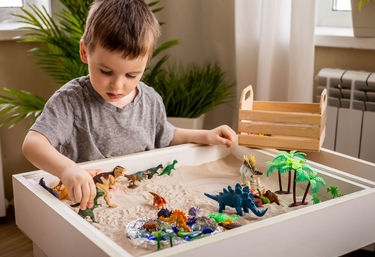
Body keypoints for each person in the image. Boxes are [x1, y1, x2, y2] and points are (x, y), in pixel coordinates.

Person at [22, 0, 236, 211]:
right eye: (105, 71)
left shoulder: (151, 99)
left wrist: (206, 136)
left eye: (132, 75)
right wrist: (67, 170)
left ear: (146, 63)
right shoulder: (70, 101)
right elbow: (33, 144)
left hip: (140, 200)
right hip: (88, 202)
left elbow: (165, 134)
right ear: (85, 52)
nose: (117, 84)